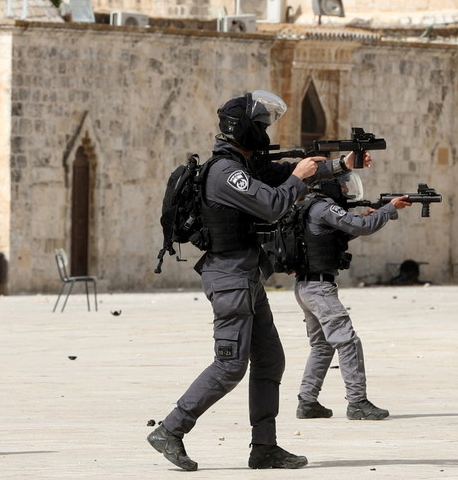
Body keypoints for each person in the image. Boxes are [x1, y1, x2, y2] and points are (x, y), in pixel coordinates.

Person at [147, 91, 368, 471]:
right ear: (245, 129)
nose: (266, 132)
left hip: (246, 275)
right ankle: (171, 429)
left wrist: (341, 165)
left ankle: (264, 447)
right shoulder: (225, 172)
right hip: (229, 278)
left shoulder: (243, 165)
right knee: (230, 364)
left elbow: (281, 175)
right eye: (262, 125)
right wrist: (300, 178)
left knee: (270, 361)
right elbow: (273, 202)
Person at [291, 172, 410, 421]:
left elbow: (336, 236)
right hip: (320, 289)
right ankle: (357, 402)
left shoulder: (307, 207)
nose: (345, 189)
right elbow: (361, 227)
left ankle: (307, 401)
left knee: (322, 346)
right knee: (347, 342)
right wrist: (388, 209)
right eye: (342, 185)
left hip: (306, 286)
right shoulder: (324, 207)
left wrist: (372, 215)